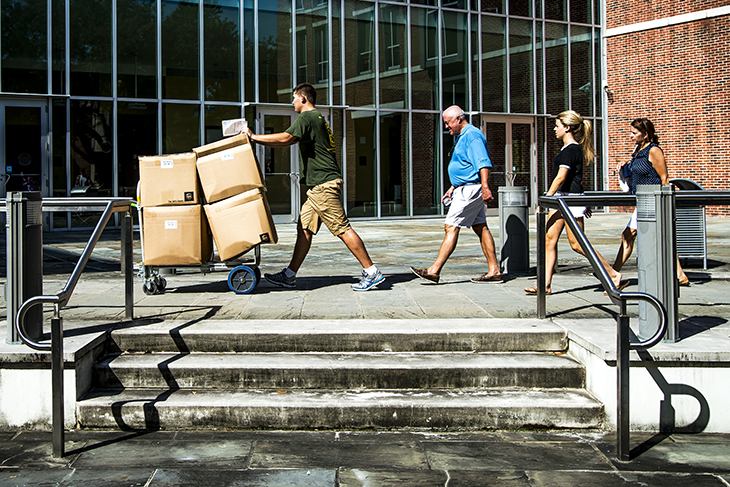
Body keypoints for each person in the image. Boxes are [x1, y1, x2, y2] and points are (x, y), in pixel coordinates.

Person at [245, 83, 385, 291]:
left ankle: (371, 271)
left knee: (341, 228)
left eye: (293, 98)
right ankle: (290, 275)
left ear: (303, 98)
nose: (292, 102)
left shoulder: (307, 118)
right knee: (305, 228)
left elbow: (286, 138)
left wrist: (254, 137)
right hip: (317, 187)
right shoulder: (319, 118)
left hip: (323, 185)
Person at [524, 110, 624, 295]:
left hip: (567, 200)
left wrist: (546, 199)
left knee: (578, 244)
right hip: (562, 198)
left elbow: (561, 177)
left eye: (557, 126)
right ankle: (545, 285)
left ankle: (612, 274)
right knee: (549, 240)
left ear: (567, 127)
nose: (555, 129)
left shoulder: (572, 149)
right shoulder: (568, 149)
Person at [411, 105, 502, 284]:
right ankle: (495, 271)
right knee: (481, 227)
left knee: (451, 226)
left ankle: (434, 270)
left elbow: (483, 163)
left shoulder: (472, 135)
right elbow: (465, 164)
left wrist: (485, 187)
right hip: (464, 187)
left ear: (459, 119)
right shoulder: (463, 137)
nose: (446, 127)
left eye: (448, 123)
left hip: (470, 190)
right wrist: (453, 187)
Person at [612, 118, 689, 285]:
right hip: (643, 200)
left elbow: (664, 178)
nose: (630, 135)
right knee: (662, 238)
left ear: (645, 134)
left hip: (653, 200)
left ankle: (613, 275)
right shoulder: (639, 150)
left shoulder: (654, 150)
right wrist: (624, 164)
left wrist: (665, 204)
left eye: (634, 133)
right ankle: (680, 275)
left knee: (628, 236)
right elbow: (638, 168)